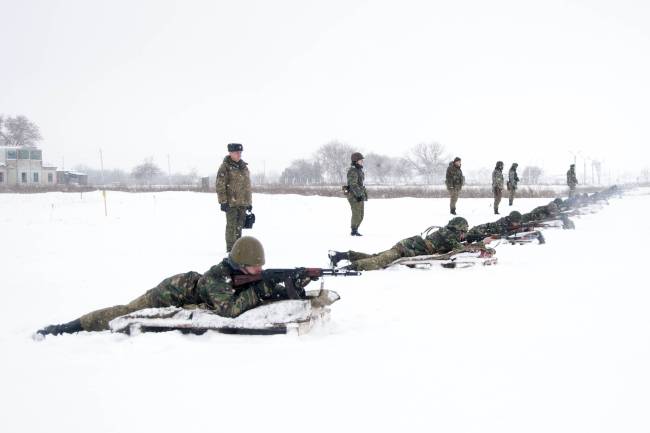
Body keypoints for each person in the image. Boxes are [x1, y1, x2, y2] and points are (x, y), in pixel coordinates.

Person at [36, 237, 314, 336]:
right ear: (241, 264)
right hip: (168, 292)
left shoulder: (240, 274)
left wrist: (296, 283)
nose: (260, 271)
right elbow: (229, 310)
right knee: (124, 312)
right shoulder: (217, 279)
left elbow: (261, 292)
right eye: (255, 268)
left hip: (187, 289)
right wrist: (261, 290)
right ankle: (69, 327)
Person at [328, 217, 494, 271]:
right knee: (379, 261)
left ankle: (341, 256)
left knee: (377, 256)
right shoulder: (450, 236)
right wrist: (482, 242)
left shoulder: (447, 233)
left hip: (408, 245)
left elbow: (459, 245)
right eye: (463, 232)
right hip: (407, 249)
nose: (463, 235)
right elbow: (460, 250)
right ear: (458, 229)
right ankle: (349, 269)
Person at [216, 143, 252, 252]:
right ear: (230, 152)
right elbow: (220, 185)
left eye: (240, 152)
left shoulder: (243, 167)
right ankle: (231, 249)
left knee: (239, 226)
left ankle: (238, 248)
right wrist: (223, 201)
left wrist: (249, 203)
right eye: (237, 152)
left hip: (242, 202)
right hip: (231, 202)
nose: (239, 154)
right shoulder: (225, 167)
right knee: (231, 226)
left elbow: (247, 187)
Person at [347, 152, 368, 236]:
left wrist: (361, 195)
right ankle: (354, 231)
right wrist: (358, 195)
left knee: (360, 214)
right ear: (355, 160)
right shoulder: (353, 170)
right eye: (360, 159)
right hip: (354, 196)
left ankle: (356, 229)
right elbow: (353, 185)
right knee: (356, 213)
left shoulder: (358, 169)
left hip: (359, 194)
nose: (362, 161)